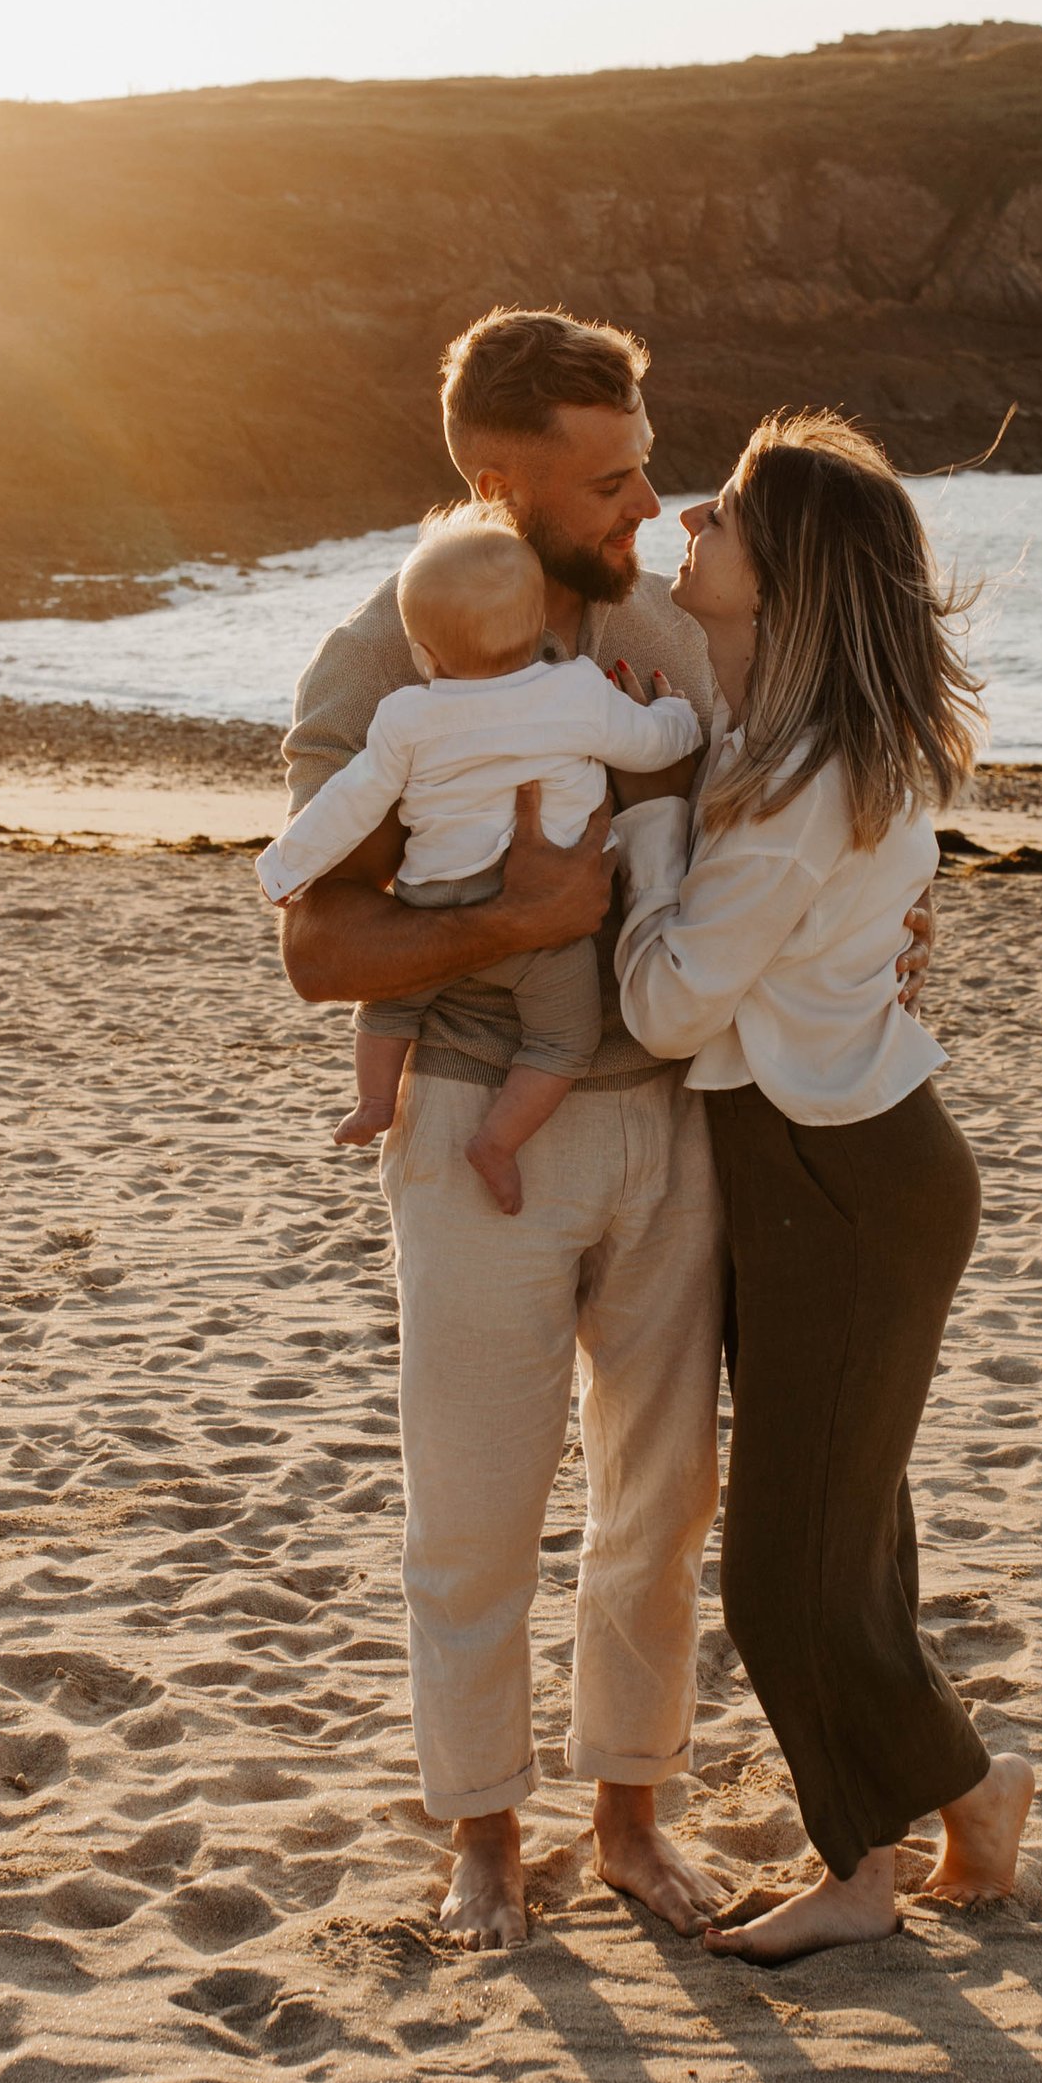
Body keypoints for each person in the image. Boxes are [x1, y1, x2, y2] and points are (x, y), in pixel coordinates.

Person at [277, 307, 734, 1951]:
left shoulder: (670, 636)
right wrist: (516, 917)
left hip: (671, 1129)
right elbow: (318, 947)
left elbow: (788, 823)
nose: (646, 509)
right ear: (498, 479)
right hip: (482, 1127)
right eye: (609, 483)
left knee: (661, 1501)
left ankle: (628, 1816)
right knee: (474, 1507)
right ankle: (481, 1831)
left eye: (644, 468)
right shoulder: (378, 660)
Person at [609, 409, 1034, 1960]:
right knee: (845, 1535)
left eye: (722, 516)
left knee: (787, 1565)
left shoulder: (787, 786)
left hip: (841, 1177)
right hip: (825, 1166)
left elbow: (665, 1009)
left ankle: (862, 1869)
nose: (688, 526)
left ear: (784, 575)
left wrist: (650, 837)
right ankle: (972, 1806)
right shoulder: (781, 739)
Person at [256, 511, 703, 1211]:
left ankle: (374, 1102)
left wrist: (287, 867)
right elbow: (650, 744)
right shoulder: (580, 689)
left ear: (426, 655)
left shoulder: (407, 714)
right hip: (552, 933)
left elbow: (350, 800)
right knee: (562, 1042)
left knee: (388, 1007)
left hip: (435, 902)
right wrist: (681, 717)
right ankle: (497, 1141)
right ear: (540, 632)